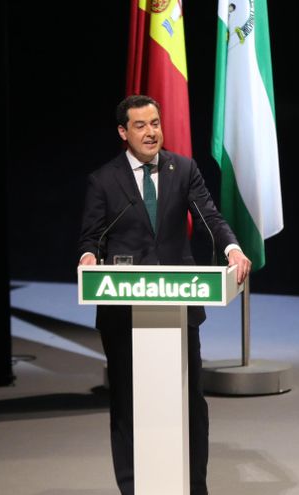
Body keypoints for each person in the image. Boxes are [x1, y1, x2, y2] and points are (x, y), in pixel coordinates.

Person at [78, 95, 251, 495]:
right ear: (124, 133)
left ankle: (194, 486)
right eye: (140, 125)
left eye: (155, 123)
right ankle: (132, 486)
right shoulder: (103, 180)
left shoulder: (183, 169)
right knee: (127, 404)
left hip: (178, 306)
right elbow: (90, 238)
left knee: (191, 403)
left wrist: (233, 249)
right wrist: (88, 257)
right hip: (123, 312)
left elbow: (210, 216)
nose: (151, 132)